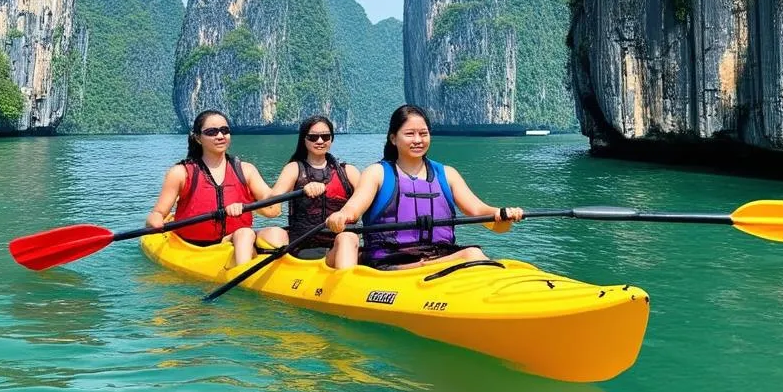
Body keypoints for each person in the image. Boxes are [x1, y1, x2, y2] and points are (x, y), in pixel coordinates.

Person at [325, 104, 524, 270]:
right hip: (390, 262)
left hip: (439, 257)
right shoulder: (377, 173)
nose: (418, 140)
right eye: (410, 134)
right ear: (394, 138)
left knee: (474, 255)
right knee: (472, 254)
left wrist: (501, 214)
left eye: (423, 133)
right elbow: (354, 208)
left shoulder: (447, 174)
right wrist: (342, 215)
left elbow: (480, 212)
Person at [145, 109, 277, 265]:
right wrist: (155, 221)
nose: (220, 136)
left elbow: (274, 210)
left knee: (275, 233)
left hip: (234, 241)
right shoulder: (180, 173)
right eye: (211, 132)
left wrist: (247, 206)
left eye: (224, 130)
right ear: (198, 138)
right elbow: (158, 213)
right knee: (245, 234)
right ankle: (242, 272)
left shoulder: (246, 170)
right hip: (196, 246)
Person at [258, 115, 362, 267]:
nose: (320, 141)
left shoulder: (349, 172)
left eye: (325, 136)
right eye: (313, 137)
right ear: (304, 139)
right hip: (304, 248)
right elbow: (272, 204)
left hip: (340, 246)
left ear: (331, 139)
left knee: (347, 238)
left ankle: (346, 280)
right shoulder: (294, 169)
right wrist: (303, 189)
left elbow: (369, 201)